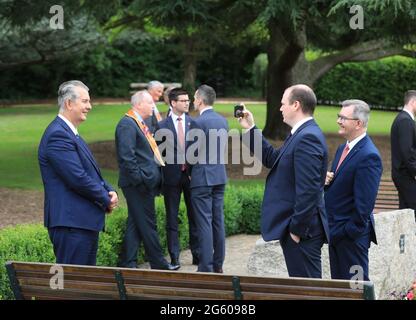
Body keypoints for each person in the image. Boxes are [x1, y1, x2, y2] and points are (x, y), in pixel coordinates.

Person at [238, 84, 329, 278]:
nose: (280, 108)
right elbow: (273, 159)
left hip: (302, 232)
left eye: (282, 104)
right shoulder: (300, 133)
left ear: (295, 105)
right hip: (299, 231)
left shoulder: (307, 137)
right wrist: (251, 129)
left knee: (308, 291)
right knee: (304, 289)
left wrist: (296, 230)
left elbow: (309, 190)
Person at [38, 80, 118, 265]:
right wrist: (105, 198)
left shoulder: (71, 133)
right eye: (85, 101)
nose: (89, 106)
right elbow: (77, 178)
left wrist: (109, 189)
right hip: (71, 224)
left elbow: (90, 172)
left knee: (82, 285)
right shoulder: (57, 135)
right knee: (70, 286)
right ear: (68, 103)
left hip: (81, 222)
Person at [115, 90, 179, 270]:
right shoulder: (127, 124)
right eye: (150, 103)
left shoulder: (139, 123)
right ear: (138, 104)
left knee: (136, 222)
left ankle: (128, 262)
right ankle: (159, 263)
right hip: (138, 185)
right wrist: (140, 181)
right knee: (148, 223)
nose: (153, 106)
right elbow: (127, 157)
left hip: (143, 183)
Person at [324, 100, 382, 281]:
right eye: (338, 116)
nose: (338, 121)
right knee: (340, 290)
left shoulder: (369, 156)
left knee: (356, 290)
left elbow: (363, 207)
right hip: (336, 234)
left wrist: (347, 232)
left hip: (351, 240)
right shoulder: (344, 148)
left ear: (358, 123)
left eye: (343, 118)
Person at [156, 88, 199, 267]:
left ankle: (197, 254)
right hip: (171, 178)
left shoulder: (194, 124)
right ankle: (174, 256)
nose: (187, 103)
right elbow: (157, 154)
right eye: (182, 101)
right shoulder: (161, 126)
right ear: (173, 103)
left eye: (188, 100)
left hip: (191, 177)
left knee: (194, 216)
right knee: (172, 218)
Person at [190, 84, 228, 273]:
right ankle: (218, 264)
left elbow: (191, 153)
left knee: (204, 222)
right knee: (217, 221)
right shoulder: (223, 120)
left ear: (201, 100)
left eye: (195, 98)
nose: (193, 101)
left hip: (202, 178)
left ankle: (206, 266)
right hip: (219, 176)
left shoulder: (198, 122)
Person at [390, 90, 416, 218]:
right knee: (411, 212)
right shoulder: (405, 121)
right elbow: (408, 152)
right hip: (405, 175)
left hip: (403, 174)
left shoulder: (403, 119)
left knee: (406, 213)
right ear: (413, 102)